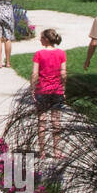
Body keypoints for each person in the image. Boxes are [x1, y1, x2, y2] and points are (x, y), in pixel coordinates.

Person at [31, 28, 67, 157]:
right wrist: (63, 87)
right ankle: (57, 150)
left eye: (41, 38)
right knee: (56, 121)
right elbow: (63, 73)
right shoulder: (61, 53)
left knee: (42, 121)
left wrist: (33, 88)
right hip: (57, 90)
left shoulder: (39, 54)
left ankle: (42, 151)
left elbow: (35, 73)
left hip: (43, 89)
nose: (40, 40)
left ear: (46, 40)